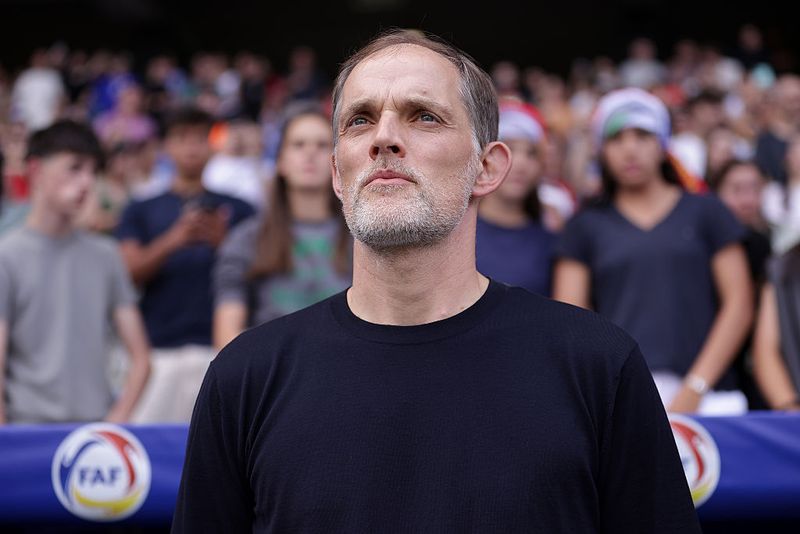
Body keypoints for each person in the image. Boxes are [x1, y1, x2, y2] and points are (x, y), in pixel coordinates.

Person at [172, 31, 700, 533]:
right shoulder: (244, 379)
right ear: (337, 172)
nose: (384, 138)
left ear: (487, 168)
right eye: (359, 120)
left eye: (423, 116)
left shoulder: (597, 366)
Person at [553, 87, 753, 415]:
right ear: (601, 150)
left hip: (711, 398)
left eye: (643, 135)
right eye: (617, 138)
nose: (630, 150)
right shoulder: (583, 226)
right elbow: (570, 321)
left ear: (663, 145)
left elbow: (739, 304)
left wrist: (695, 386)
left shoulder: (707, 211)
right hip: (619, 399)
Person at [0, 120, 150, 424]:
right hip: (27, 432)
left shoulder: (106, 255)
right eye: (74, 168)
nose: (86, 182)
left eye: (93, 172)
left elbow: (141, 357)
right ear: (35, 170)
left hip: (93, 432)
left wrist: (115, 423)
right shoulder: (7, 257)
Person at [115, 107, 254, 423]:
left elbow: (261, 279)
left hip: (223, 350)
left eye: (199, 138)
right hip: (157, 353)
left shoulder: (241, 209)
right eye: (181, 138)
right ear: (166, 146)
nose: (191, 147)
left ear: (211, 145)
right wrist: (174, 239)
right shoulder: (140, 209)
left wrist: (224, 245)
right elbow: (126, 274)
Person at [212, 109, 351, 350]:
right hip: (273, 376)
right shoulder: (247, 238)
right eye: (298, 145)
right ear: (280, 161)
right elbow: (226, 336)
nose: (310, 153)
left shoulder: (363, 238)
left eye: (322, 145)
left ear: (336, 162)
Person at [476, 98, 556, 296]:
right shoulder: (454, 230)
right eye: (508, 149)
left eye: (531, 154)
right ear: (485, 158)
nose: (520, 163)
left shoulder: (551, 236)